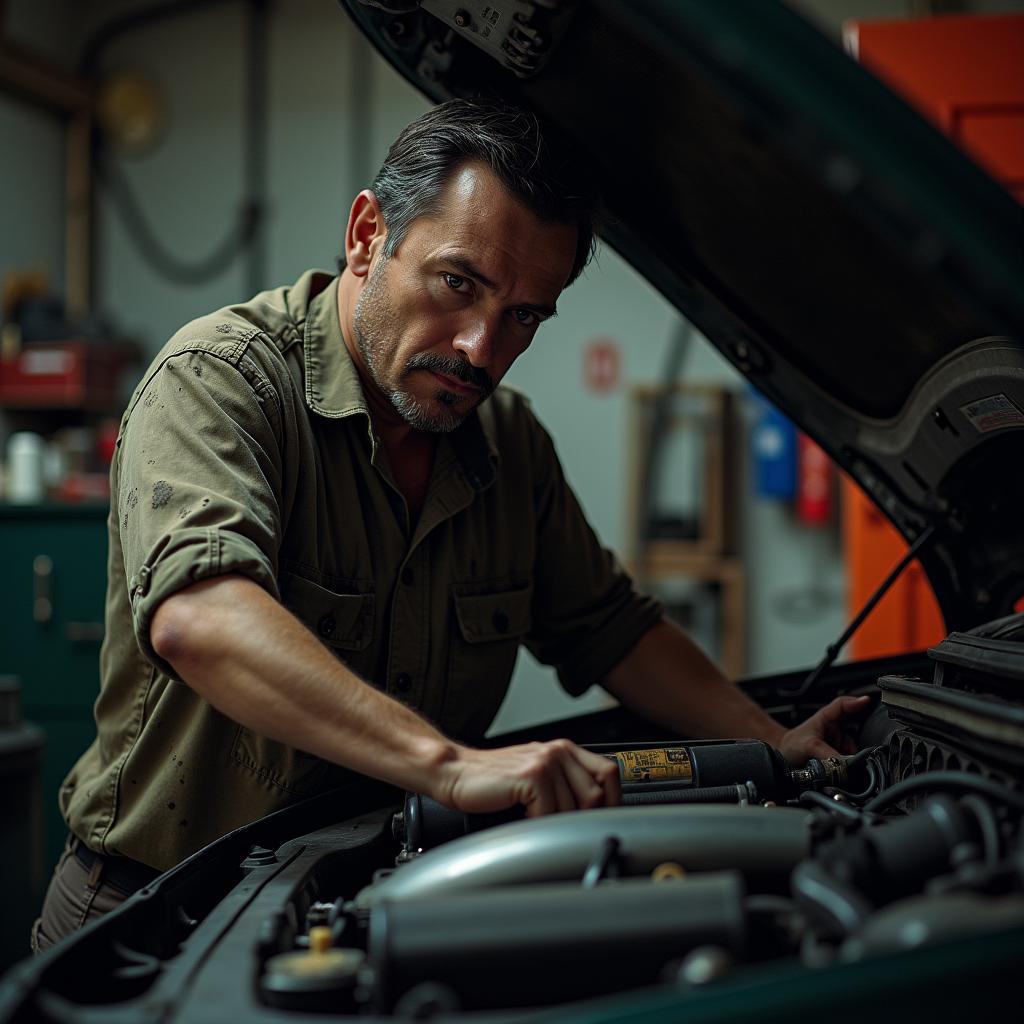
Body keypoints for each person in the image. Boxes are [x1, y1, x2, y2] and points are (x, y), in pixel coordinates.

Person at [33, 98, 866, 953]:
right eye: (458, 283)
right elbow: (199, 616)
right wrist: (454, 767)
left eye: (523, 316)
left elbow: (614, 630)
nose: (479, 348)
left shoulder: (510, 447)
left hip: (364, 908)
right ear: (367, 235)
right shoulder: (219, 383)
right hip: (159, 919)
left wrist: (774, 742)